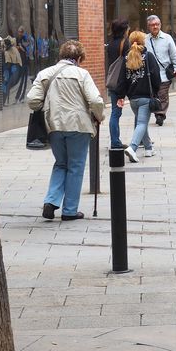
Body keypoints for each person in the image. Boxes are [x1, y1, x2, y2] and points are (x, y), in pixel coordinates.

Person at [26, 40, 105, 221]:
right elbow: (96, 101)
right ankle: (69, 210)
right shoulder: (82, 74)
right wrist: (99, 116)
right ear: (78, 58)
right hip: (78, 125)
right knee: (75, 166)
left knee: (61, 163)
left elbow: (32, 100)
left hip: (53, 126)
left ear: (61, 56)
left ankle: (51, 201)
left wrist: (45, 106)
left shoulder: (45, 73)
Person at [115, 30, 163, 163]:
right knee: (142, 123)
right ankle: (133, 147)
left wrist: (120, 96)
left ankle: (148, 148)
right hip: (146, 97)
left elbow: (121, 79)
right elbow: (156, 77)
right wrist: (157, 90)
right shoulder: (148, 56)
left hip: (133, 99)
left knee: (142, 123)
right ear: (144, 41)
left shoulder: (127, 57)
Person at [145, 15, 176, 126]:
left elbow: (174, 54)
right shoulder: (145, 39)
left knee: (163, 94)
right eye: (152, 25)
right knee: (154, 94)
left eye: (157, 24)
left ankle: (160, 114)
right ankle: (156, 111)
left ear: (160, 25)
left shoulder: (167, 38)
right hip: (150, 74)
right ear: (148, 27)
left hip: (164, 73)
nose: (155, 27)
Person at [105, 19, 130, 149]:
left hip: (113, 81)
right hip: (121, 82)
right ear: (124, 30)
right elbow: (127, 64)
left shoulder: (110, 44)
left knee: (116, 111)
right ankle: (115, 142)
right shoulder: (124, 43)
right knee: (116, 112)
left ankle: (116, 140)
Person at [0, 35, 22, 105]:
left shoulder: (7, 52)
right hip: (16, 67)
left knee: (6, 84)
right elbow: (2, 40)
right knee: (6, 84)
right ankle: (5, 101)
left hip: (13, 67)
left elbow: (8, 64)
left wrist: (5, 73)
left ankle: (3, 101)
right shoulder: (14, 48)